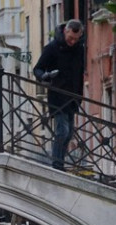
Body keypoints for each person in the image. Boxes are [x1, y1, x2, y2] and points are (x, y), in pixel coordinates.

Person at [33, 19, 85, 171]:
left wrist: (80, 96)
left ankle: (60, 163)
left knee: (69, 134)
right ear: (65, 32)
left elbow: (80, 73)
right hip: (57, 95)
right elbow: (37, 69)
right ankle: (57, 165)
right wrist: (45, 76)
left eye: (76, 39)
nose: (72, 42)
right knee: (62, 131)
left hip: (73, 97)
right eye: (70, 38)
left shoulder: (79, 49)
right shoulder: (52, 48)